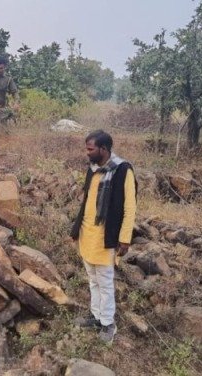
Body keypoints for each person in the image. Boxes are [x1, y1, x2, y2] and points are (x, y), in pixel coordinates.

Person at [70, 129, 137, 345]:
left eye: (90, 149)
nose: (87, 153)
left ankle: (108, 323)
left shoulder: (122, 170)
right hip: (87, 234)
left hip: (106, 238)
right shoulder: (93, 169)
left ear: (104, 149)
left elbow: (129, 208)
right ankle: (96, 316)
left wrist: (125, 238)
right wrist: (77, 230)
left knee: (106, 282)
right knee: (93, 279)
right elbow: (86, 201)